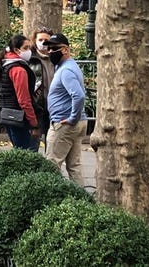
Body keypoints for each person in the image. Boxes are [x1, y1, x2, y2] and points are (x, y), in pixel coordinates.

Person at [44, 33, 87, 186]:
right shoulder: (67, 67)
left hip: (64, 124)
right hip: (75, 122)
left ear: (65, 50)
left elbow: (79, 96)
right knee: (74, 166)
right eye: (48, 48)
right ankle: (81, 201)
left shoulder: (66, 71)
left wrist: (72, 118)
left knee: (51, 164)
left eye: (54, 48)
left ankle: (53, 201)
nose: (50, 51)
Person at [0, 34, 41, 150]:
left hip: (8, 113)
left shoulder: (6, 64)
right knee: (27, 152)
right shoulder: (19, 69)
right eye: (26, 48)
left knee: (19, 150)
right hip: (19, 116)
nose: (29, 51)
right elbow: (24, 100)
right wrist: (33, 122)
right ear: (17, 50)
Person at [29, 26, 56, 146]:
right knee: (33, 144)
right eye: (40, 40)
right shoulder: (30, 58)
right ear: (34, 40)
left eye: (46, 40)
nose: (43, 43)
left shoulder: (56, 59)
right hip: (37, 105)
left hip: (53, 106)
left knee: (52, 145)